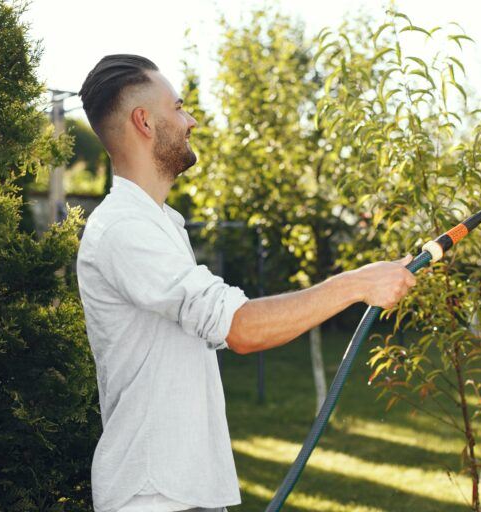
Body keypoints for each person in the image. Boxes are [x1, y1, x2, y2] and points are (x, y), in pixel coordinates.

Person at [75, 54, 416, 512]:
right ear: (144, 122)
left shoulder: (160, 225)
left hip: (179, 488)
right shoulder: (123, 230)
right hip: (153, 494)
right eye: (177, 108)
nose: (191, 119)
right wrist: (355, 284)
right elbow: (241, 328)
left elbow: (215, 329)